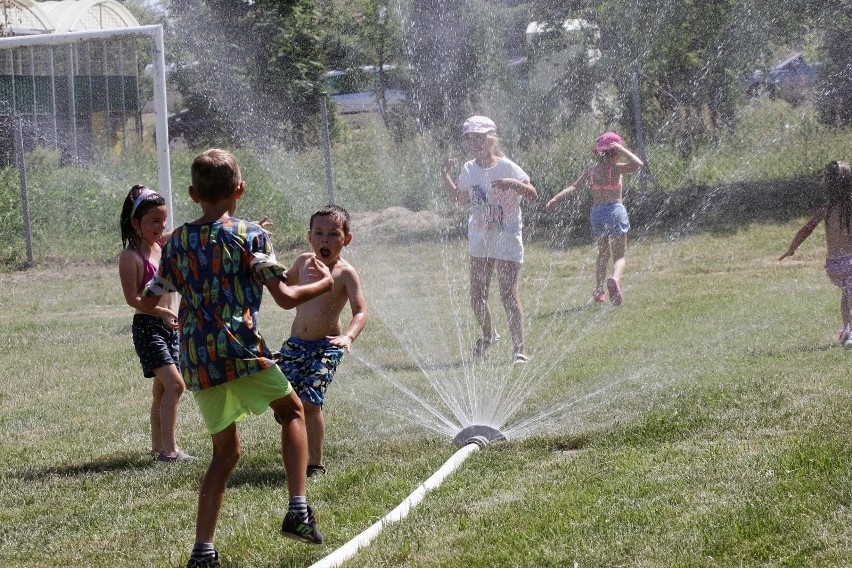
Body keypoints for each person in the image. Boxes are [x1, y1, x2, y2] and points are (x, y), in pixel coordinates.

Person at [139, 149, 334, 568]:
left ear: (192, 194)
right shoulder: (250, 235)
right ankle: (298, 510)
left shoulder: (176, 243)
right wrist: (325, 284)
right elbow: (284, 298)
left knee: (224, 455)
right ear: (239, 191)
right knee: (292, 412)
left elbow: (149, 295)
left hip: (197, 360)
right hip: (240, 349)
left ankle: (202, 552)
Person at [277, 205, 367, 477]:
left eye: (332, 234)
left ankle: (314, 463)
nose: (324, 240)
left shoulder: (345, 273)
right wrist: (266, 263)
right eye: (319, 233)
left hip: (326, 347)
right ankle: (295, 446)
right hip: (295, 344)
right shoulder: (304, 262)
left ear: (346, 239)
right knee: (285, 402)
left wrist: (347, 336)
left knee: (311, 402)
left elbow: (360, 311)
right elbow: (283, 283)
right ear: (309, 237)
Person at [441, 115, 538, 364]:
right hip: (480, 239)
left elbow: (533, 194)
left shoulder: (507, 167)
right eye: (469, 139)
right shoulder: (469, 169)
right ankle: (488, 335)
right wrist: (444, 174)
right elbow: (457, 198)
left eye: (479, 138)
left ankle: (519, 349)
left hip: (506, 238)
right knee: (477, 295)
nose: (474, 143)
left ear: (490, 139)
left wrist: (513, 184)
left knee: (508, 294)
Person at [118, 184, 196, 463]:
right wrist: (160, 313)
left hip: (170, 327)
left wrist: (247, 228)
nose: (161, 226)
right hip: (148, 328)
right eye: (154, 221)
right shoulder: (131, 257)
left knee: (162, 389)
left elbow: (196, 232)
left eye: (164, 220)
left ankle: (157, 447)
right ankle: (170, 451)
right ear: (135, 222)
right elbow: (132, 298)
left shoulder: (163, 245)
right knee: (175, 386)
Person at [545, 131, 644, 306]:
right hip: (615, 210)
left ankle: (599, 290)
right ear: (616, 152)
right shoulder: (617, 168)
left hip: (597, 214)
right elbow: (638, 164)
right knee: (619, 256)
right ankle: (614, 278)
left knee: (603, 253)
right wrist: (622, 149)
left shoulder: (591, 171)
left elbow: (574, 187)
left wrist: (555, 198)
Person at [780, 161, 852, 346]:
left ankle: (846, 327)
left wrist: (792, 248)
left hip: (834, 266)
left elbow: (806, 229)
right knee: (849, 294)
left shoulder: (826, 209)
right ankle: (849, 332)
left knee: (847, 294)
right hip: (850, 263)